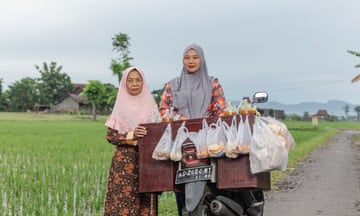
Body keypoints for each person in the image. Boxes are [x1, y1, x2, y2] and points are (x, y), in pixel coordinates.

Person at [159, 44, 226, 215]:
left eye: (195, 57)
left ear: (202, 59)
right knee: (179, 187)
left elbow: (220, 109)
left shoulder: (213, 83)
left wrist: (204, 123)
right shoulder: (172, 85)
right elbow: (164, 110)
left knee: (217, 183)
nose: (191, 61)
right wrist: (184, 121)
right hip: (180, 144)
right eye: (187, 57)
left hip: (208, 141)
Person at [104, 66, 160, 216]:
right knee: (123, 203)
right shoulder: (120, 107)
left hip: (147, 162)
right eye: (130, 81)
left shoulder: (151, 106)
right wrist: (132, 136)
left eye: (138, 80)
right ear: (124, 84)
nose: (134, 84)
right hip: (124, 164)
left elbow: (160, 133)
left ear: (143, 82)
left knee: (146, 203)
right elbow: (111, 136)